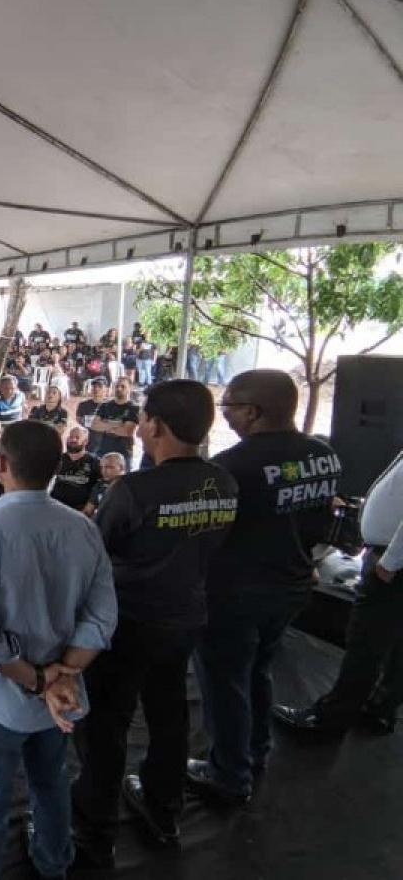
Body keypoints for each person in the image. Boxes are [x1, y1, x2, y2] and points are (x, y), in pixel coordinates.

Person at [73, 380, 238, 866]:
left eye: (143, 417)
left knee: (106, 727)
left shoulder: (133, 490)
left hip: (127, 625)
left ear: (157, 426)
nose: (139, 424)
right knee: (170, 716)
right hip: (186, 619)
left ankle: (94, 834)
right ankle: (164, 812)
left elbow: (93, 555)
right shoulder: (224, 483)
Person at [0, 420, 117, 880]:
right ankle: (54, 861)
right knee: (51, 783)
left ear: (1, 464)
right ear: (59, 467)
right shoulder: (83, 529)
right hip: (62, 699)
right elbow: (103, 617)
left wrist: (40, 680)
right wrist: (63, 675)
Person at [172, 370, 338, 803]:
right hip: (292, 585)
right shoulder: (323, 455)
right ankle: (256, 750)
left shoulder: (231, 467)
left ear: (252, 411)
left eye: (228, 407)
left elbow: (205, 535)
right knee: (258, 671)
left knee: (224, 684)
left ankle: (228, 775)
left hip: (235, 595)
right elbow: (320, 525)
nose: (224, 416)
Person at [272, 442, 401, 735]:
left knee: (366, 641)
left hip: (391, 561)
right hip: (389, 555)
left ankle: (331, 718)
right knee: (393, 640)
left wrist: (391, 560)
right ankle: (380, 707)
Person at [50, 427, 101, 513]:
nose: (73, 439)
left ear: (85, 441)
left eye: (77, 437)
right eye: (71, 436)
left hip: (80, 510)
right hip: (55, 506)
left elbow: (100, 487)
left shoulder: (95, 462)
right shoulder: (59, 458)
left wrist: (89, 507)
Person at [92, 378, 139, 469]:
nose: (119, 388)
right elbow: (95, 425)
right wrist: (119, 424)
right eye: (117, 386)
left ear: (130, 388)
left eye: (123, 386)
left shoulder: (134, 408)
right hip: (103, 451)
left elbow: (127, 431)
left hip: (124, 453)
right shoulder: (104, 405)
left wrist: (105, 423)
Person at [83, 454, 125, 519]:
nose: (104, 471)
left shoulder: (129, 487)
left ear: (121, 468)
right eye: (102, 467)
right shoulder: (100, 485)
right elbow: (88, 511)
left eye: (109, 467)